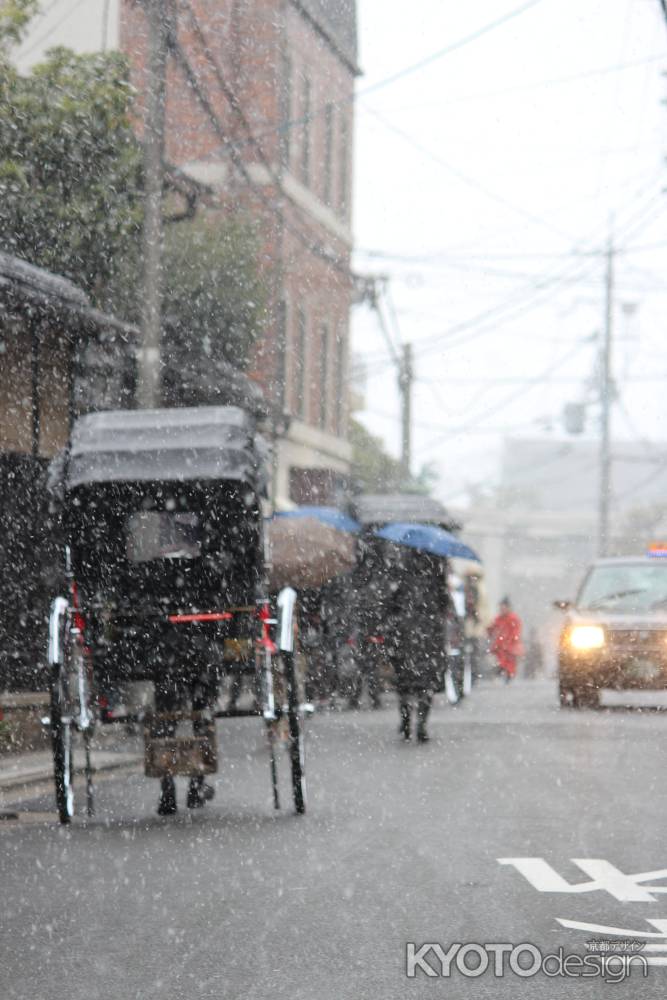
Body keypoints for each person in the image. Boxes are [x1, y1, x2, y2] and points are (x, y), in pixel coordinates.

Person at [386, 551, 447, 742]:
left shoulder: (403, 568)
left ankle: (406, 721)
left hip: (406, 633)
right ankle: (421, 724)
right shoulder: (437, 568)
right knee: (425, 683)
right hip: (429, 634)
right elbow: (444, 603)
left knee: (405, 683)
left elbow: (391, 605)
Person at [488, 597, 523, 682]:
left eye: (503, 607)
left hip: (510, 645)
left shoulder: (513, 618)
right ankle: (502, 671)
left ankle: (507, 673)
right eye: (501, 607)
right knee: (502, 659)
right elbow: (492, 628)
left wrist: (510, 640)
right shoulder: (499, 618)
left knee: (509, 661)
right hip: (501, 645)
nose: (502, 609)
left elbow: (515, 632)